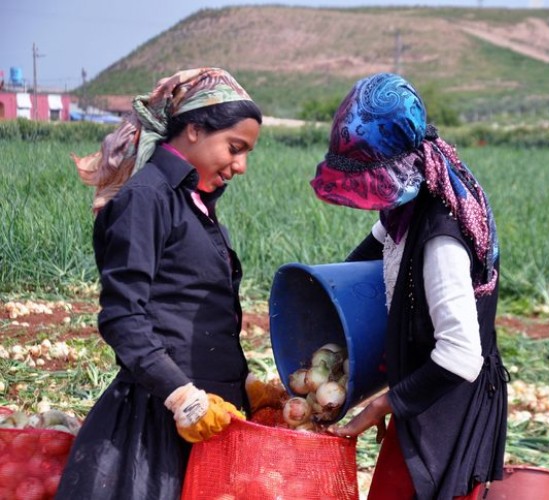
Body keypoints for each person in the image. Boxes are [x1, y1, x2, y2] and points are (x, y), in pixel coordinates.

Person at [56, 67, 263, 499]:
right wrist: (182, 397)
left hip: (208, 416)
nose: (241, 166)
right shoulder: (147, 198)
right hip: (159, 420)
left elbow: (186, 310)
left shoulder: (195, 203)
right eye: (235, 147)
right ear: (193, 129)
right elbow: (123, 317)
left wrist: (242, 383)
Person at [313, 73, 509, 500]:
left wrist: (387, 402)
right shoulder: (403, 213)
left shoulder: (440, 237)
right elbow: (362, 261)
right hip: (420, 395)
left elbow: (460, 355)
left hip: (445, 410)